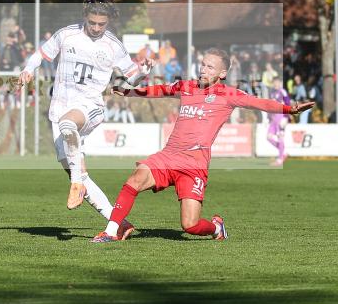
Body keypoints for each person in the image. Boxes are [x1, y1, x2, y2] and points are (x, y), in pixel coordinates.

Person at [91, 48, 314, 243]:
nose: (203, 70)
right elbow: (159, 91)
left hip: (194, 164)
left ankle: (217, 227)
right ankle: (111, 231)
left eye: (210, 67)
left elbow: (260, 103)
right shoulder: (187, 87)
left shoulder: (229, 95)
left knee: (190, 225)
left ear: (222, 73)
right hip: (168, 156)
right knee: (135, 179)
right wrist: (130, 91)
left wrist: (289, 109)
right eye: (203, 65)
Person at [16, 0, 152, 228]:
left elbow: (132, 78)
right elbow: (40, 54)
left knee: (68, 126)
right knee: (75, 169)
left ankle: (77, 184)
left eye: (102, 24)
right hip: (60, 106)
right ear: (84, 17)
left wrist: (142, 72)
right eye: (93, 23)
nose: (97, 28)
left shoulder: (113, 45)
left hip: (90, 106)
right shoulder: (66, 34)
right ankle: (119, 222)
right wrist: (28, 70)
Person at [264, 77, 291, 166]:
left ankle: (279, 160)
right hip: (273, 118)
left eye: (277, 82)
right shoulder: (272, 93)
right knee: (268, 137)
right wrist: (268, 118)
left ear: (280, 83)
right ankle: (283, 152)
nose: (275, 84)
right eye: (274, 82)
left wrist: (286, 117)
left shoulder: (282, 92)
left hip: (281, 117)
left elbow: (288, 104)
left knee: (280, 138)